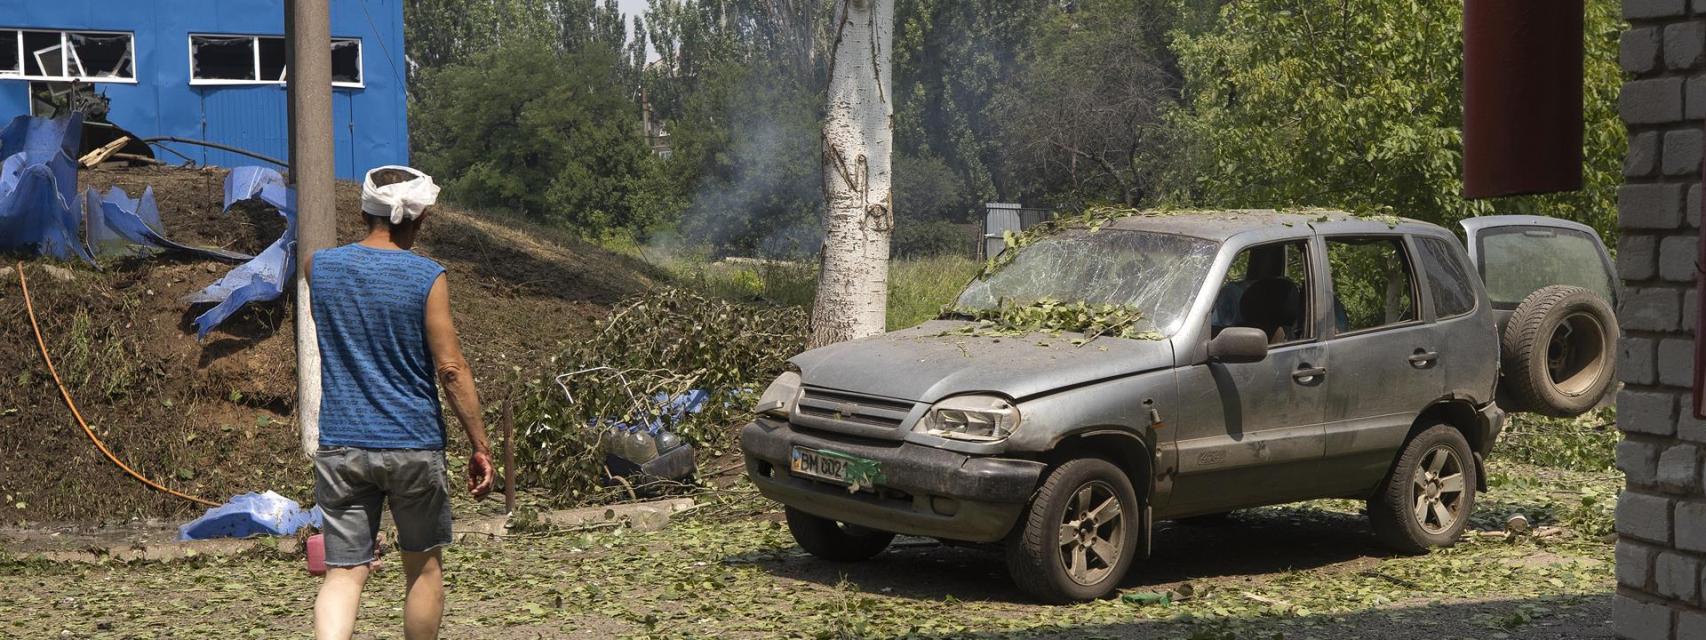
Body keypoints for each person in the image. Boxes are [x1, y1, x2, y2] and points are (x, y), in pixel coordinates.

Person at [307, 165, 495, 640]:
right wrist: (480, 444)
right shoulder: (426, 276)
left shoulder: (318, 267)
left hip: (343, 445)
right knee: (423, 567)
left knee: (343, 573)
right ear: (420, 219)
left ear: (363, 211)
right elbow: (450, 369)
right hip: (413, 444)